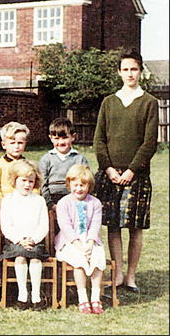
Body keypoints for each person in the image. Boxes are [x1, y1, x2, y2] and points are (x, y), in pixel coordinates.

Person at [92, 47, 158, 293]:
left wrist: (132, 170)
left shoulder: (150, 102)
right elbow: (99, 141)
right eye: (126, 69)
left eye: (134, 69)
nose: (130, 74)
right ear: (119, 72)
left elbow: (150, 142)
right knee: (113, 225)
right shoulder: (109, 103)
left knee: (135, 226)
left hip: (136, 175)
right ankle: (117, 273)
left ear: (141, 72)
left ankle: (131, 276)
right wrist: (108, 169)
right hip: (110, 175)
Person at [55, 164, 107, 314]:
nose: (79, 189)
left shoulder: (95, 203)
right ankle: (83, 298)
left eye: (83, 185)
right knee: (80, 260)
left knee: (97, 257)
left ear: (89, 186)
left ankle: (95, 298)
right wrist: (81, 248)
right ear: (69, 184)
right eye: (75, 185)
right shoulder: (63, 203)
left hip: (90, 241)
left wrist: (90, 245)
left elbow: (95, 225)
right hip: (69, 242)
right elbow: (66, 228)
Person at [0, 159, 49, 311]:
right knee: (20, 257)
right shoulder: (8, 201)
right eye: (23, 181)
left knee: (34, 258)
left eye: (31, 181)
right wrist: (20, 240)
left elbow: (43, 225)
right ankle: (22, 295)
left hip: (34, 242)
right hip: (15, 242)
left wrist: (33, 239)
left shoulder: (39, 201)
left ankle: (36, 297)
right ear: (15, 180)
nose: (27, 185)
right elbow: (6, 226)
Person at [39, 117, 90, 211]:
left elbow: (86, 182)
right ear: (51, 138)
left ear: (73, 137)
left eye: (65, 138)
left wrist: (77, 201)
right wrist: (50, 204)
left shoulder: (79, 159)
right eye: (57, 138)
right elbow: (42, 184)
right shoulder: (47, 159)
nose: (61, 142)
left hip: (74, 197)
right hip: (51, 199)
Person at [0, 121, 33, 206]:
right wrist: (5, 205)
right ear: (3, 145)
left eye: (20, 143)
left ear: (25, 144)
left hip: (26, 207)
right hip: (5, 208)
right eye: (12, 143)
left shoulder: (29, 165)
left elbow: (35, 187)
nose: (16, 146)